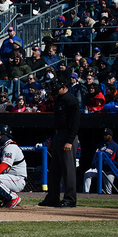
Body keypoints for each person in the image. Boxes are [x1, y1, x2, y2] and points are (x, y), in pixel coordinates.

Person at [39, 79, 80, 207]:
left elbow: (75, 123)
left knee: (68, 170)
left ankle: (70, 199)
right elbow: (57, 122)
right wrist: (52, 138)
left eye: (56, 88)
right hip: (57, 135)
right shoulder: (58, 100)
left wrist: (69, 141)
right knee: (54, 170)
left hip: (68, 136)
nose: (54, 91)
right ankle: (53, 197)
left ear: (64, 86)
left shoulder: (71, 100)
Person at [83, 128, 118, 194]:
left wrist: (110, 165)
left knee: (108, 190)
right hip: (98, 169)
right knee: (87, 174)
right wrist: (94, 164)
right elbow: (95, 155)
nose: (104, 136)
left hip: (109, 171)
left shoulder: (116, 147)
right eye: (104, 134)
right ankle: (86, 193)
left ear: (111, 136)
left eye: (106, 135)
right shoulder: (100, 144)